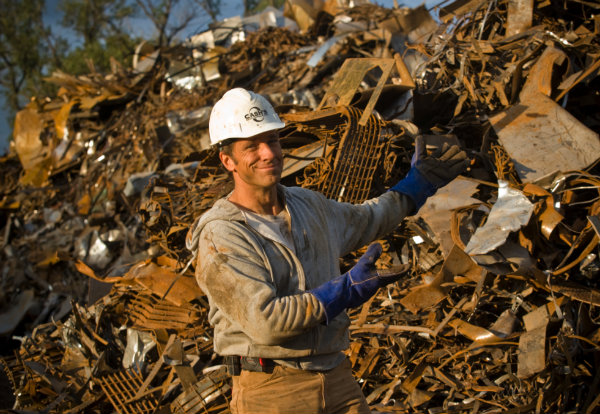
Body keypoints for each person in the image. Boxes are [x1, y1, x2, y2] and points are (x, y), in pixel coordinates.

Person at [186, 88, 468, 414]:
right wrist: (343, 291)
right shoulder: (221, 234)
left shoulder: (308, 205)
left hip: (335, 375)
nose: (268, 153)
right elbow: (266, 322)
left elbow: (368, 219)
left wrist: (415, 187)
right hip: (271, 388)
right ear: (227, 160)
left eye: (272, 140)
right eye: (251, 146)